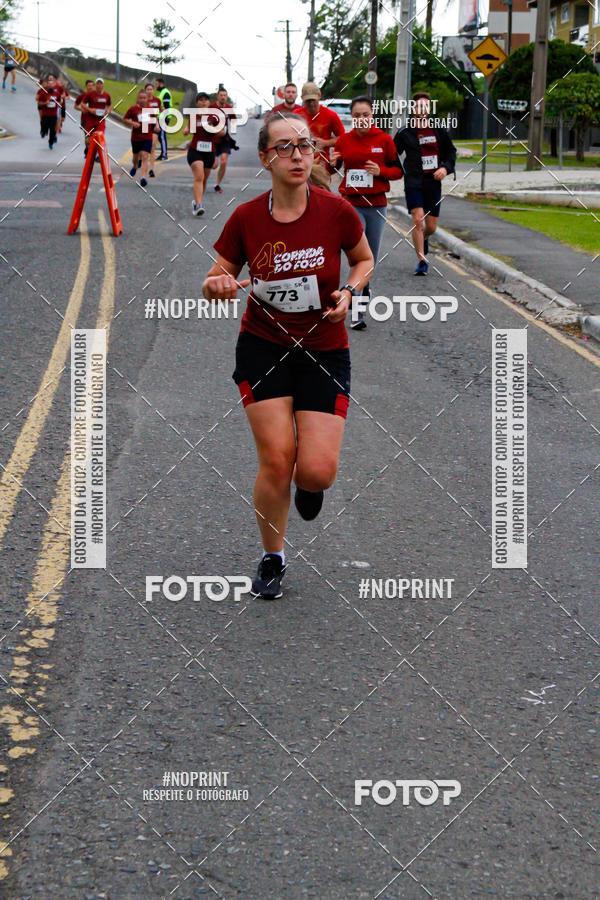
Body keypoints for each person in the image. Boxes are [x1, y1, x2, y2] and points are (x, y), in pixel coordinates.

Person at [202, 112, 373, 600]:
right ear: (265, 159)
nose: (297, 154)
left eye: (303, 145)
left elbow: (362, 260)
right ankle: (273, 556)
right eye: (284, 147)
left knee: (315, 469)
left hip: (323, 350)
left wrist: (349, 292)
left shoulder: (336, 212)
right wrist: (217, 285)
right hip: (264, 348)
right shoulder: (247, 218)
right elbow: (216, 277)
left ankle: (310, 485)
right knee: (277, 460)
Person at [332, 95, 403, 330]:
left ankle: (364, 288)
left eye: (365, 115)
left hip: (376, 204)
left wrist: (380, 170)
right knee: (357, 256)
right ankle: (357, 313)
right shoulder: (344, 140)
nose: (361, 119)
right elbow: (333, 168)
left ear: (372, 116)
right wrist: (333, 162)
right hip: (351, 203)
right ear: (351, 118)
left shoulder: (384, 140)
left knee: (370, 257)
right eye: (356, 116)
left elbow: (397, 172)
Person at [393, 91, 456, 275]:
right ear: (413, 108)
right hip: (413, 181)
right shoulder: (405, 132)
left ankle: (423, 239)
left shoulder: (439, 130)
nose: (422, 109)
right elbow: (392, 153)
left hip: (433, 182)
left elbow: (451, 152)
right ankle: (422, 260)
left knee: (431, 226)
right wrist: (399, 170)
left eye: (425, 106)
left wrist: (444, 168)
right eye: (419, 106)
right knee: (418, 220)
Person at [184, 91, 224, 215]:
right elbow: (187, 129)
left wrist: (214, 129)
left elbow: (222, 132)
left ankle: (197, 201)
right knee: (199, 176)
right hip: (195, 150)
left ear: (209, 102)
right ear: (197, 103)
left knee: (204, 179)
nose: (203, 102)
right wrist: (186, 130)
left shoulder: (214, 117)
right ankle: (199, 206)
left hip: (209, 152)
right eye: (200, 100)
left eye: (205, 100)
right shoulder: (193, 116)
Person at [298, 82, 345, 183]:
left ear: (319, 96)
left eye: (313, 100)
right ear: (302, 98)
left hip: (322, 164)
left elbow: (343, 138)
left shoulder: (330, 115)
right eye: (308, 100)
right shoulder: (296, 115)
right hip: (300, 162)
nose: (311, 103)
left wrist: (325, 143)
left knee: (320, 195)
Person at [124, 89, 151, 187]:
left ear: (147, 99)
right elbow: (125, 119)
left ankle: (143, 177)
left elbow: (155, 119)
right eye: (140, 98)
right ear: (137, 99)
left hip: (147, 137)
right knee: (135, 158)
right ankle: (135, 166)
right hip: (136, 138)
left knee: (144, 156)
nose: (142, 100)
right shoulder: (133, 109)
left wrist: (156, 125)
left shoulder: (150, 109)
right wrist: (132, 123)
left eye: (144, 98)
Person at [213, 86, 237, 193]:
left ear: (227, 97)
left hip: (224, 139)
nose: (223, 97)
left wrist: (230, 128)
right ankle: (202, 176)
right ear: (217, 96)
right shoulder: (211, 107)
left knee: (224, 161)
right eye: (221, 95)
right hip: (212, 139)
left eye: (225, 95)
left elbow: (234, 120)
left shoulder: (228, 108)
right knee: (214, 165)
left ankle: (217, 184)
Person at [81, 78, 112, 146]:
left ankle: (97, 154)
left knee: (99, 137)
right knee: (88, 140)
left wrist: (108, 111)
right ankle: (88, 151)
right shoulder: (90, 94)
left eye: (101, 84)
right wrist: (90, 110)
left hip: (101, 120)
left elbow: (109, 106)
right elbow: (82, 104)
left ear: (103, 85)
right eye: (98, 83)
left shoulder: (107, 95)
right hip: (90, 119)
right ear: (95, 85)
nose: (99, 85)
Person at [35, 74, 61, 149]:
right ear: (47, 85)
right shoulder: (43, 93)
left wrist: (58, 104)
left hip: (53, 115)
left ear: (53, 85)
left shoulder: (57, 94)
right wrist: (45, 103)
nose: (50, 86)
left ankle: (51, 142)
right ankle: (43, 131)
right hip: (45, 114)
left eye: (51, 84)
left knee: (52, 129)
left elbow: (60, 101)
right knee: (45, 127)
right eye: (49, 84)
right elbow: (39, 102)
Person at [144, 82, 162, 177]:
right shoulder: (143, 100)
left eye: (151, 89)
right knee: (143, 147)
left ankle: (151, 169)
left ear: (153, 90)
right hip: (144, 125)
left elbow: (157, 114)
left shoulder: (157, 101)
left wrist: (157, 124)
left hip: (154, 124)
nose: (150, 91)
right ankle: (141, 160)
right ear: (145, 90)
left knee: (152, 146)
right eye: (148, 89)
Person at [74, 79, 95, 155]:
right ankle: (88, 149)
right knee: (87, 136)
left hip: (95, 120)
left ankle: (91, 151)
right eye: (89, 86)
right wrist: (82, 109)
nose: (90, 87)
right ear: (86, 86)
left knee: (94, 136)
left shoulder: (96, 96)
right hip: (85, 120)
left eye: (92, 85)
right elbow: (75, 106)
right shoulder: (82, 96)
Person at [155, 77, 172, 160]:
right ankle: (163, 153)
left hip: (164, 117)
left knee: (161, 135)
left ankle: (164, 155)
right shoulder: (162, 92)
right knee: (160, 136)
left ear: (161, 84)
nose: (156, 86)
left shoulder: (165, 93)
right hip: (161, 116)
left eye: (157, 84)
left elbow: (166, 106)